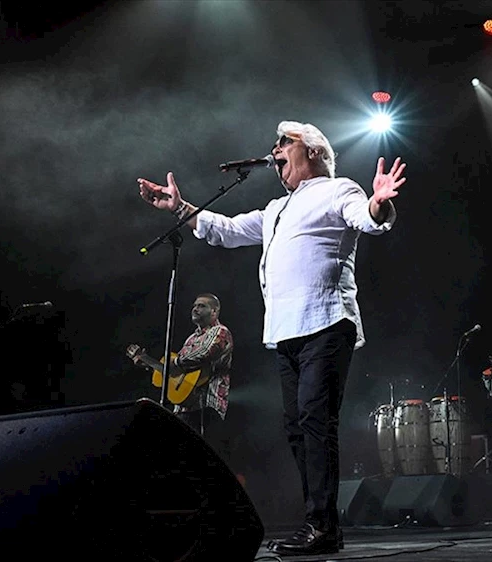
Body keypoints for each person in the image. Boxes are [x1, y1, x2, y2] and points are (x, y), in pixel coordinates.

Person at [136, 121, 405, 556]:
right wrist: (180, 207)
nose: (275, 150)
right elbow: (226, 230)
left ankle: (322, 526)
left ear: (313, 151)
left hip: (326, 322)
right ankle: (319, 524)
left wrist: (378, 203)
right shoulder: (277, 208)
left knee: (315, 422)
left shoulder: (338, 190)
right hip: (286, 332)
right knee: (297, 428)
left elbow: (367, 218)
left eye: (284, 143)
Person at [130, 293, 233, 438]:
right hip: (182, 410)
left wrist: (174, 363)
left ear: (214, 311)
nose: (195, 309)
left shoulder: (220, 331)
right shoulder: (191, 338)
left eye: (201, 306)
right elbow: (175, 373)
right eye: (194, 306)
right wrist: (149, 364)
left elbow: (204, 353)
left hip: (206, 407)